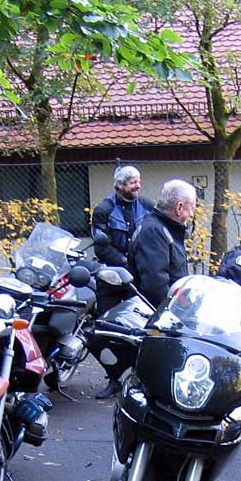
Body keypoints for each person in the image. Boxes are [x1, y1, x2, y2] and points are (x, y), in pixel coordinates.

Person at [91, 165, 154, 398]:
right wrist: (125, 263)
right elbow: (101, 247)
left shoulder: (148, 206)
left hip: (138, 280)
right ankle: (114, 378)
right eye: (132, 182)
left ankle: (141, 378)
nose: (138, 185)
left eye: (138, 180)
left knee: (141, 329)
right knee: (105, 331)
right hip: (110, 279)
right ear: (119, 185)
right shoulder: (103, 210)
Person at [127, 178, 196, 307]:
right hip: (158, 312)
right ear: (179, 207)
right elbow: (155, 286)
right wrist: (179, 308)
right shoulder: (153, 232)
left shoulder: (167, 230)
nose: (192, 214)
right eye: (191, 208)